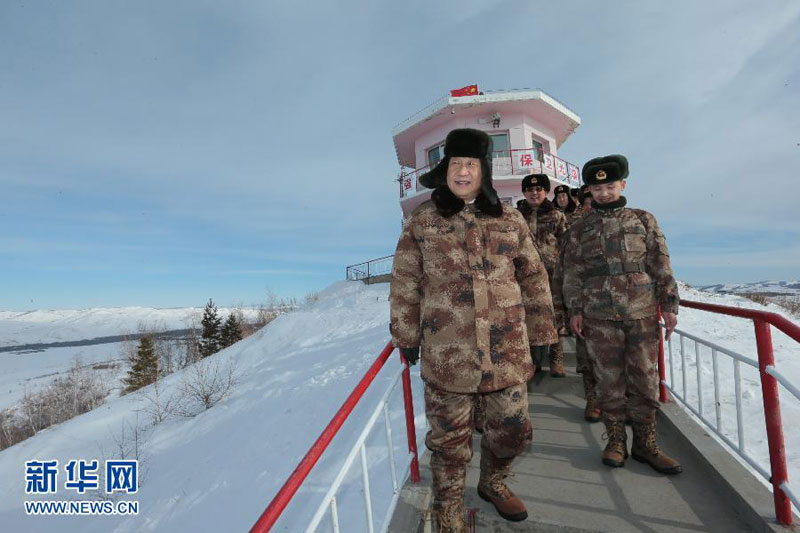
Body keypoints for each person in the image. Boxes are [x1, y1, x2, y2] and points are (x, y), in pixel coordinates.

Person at [390, 128, 558, 530]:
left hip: (508, 351)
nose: (463, 171)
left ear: (483, 171)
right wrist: (406, 334)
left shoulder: (510, 218)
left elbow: (533, 278)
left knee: (514, 431)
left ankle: (493, 482)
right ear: (445, 169)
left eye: (470, 164)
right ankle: (448, 508)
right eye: (455, 164)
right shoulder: (422, 222)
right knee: (449, 443)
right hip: (449, 354)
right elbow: (405, 282)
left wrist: (542, 335)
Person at [562, 154, 681, 474]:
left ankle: (647, 444)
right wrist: (575, 310)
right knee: (608, 382)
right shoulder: (579, 229)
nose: (604, 193)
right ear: (589, 189)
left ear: (623, 184)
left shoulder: (643, 219)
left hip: (640, 313)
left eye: (610, 186)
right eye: (597, 187)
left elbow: (660, 262)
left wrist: (669, 305)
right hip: (598, 316)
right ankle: (616, 442)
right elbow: (572, 272)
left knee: (645, 380)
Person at [516, 174, 568, 377]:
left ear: (545, 192)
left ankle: (556, 358)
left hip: (552, 276)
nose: (534, 193)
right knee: (528, 320)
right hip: (525, 278)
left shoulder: (557, 215)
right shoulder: (517, 216)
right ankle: (533, 361)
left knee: (557, 317)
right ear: (524, 193)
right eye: (529, 190)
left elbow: (566, 245)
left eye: (538, 190)